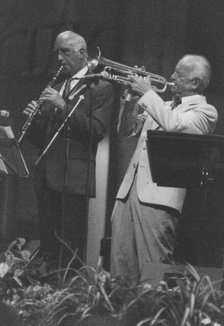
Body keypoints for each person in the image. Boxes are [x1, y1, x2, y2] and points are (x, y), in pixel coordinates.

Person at [110, 54, 218, 283]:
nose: (171, 77)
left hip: (158, 199)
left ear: (195, 83)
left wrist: (147, 93)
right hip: (128, 193)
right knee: (120, 272)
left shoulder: (205, 112)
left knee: (153, 272)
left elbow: (174, 126)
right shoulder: (164, 105)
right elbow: (126, 130)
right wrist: (130, 100)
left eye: (179, 73)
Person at [23, 31, 114, 271]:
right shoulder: (57, 84)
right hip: (46, 176)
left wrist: (63, 106)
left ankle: (66, 299)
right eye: (57, 53)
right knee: (48, 246)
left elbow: (97, 130)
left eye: (65, 52)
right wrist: (34, 120)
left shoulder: (100, 87)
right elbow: (41, 139)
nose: (59, 59)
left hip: (73, 179)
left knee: (69, 249)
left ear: (82, 52)